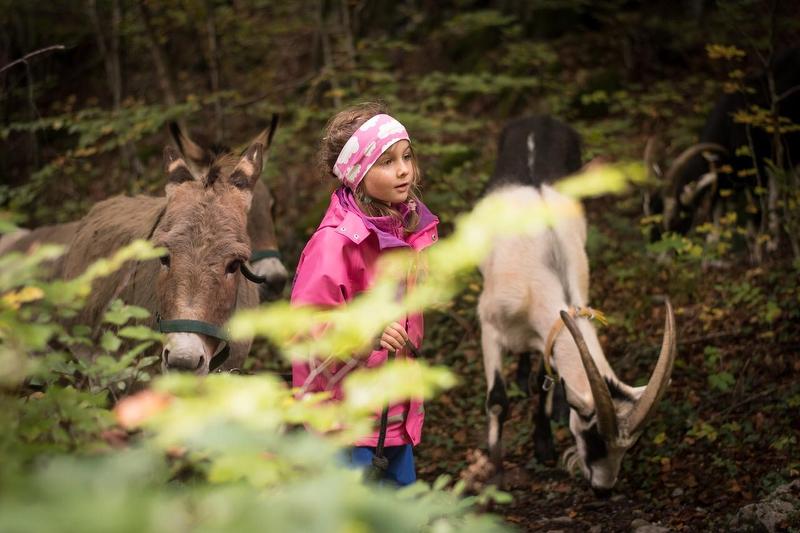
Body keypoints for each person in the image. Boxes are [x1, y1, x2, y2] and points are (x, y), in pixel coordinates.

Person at [291, 102, 439, 486]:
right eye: (387, 161)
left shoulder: (407, 229)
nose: (404, 169)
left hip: (393, 414)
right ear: (357, 174)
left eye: (407, 156)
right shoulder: (334, 243)